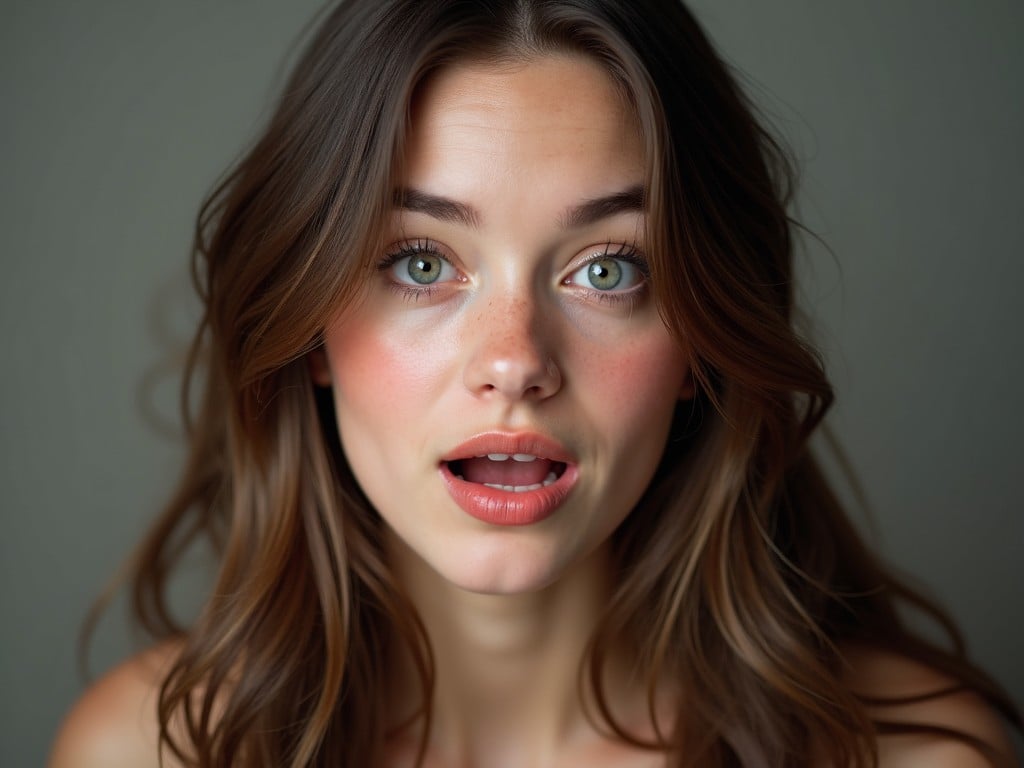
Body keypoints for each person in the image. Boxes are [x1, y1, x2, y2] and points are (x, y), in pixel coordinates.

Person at [49, 1, 1021, 766]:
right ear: (309, 327)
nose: (515, 360)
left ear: (701, 344)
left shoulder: (914, 757)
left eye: (607, 268)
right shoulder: (147, 754)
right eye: (422, 263)